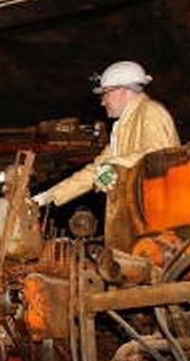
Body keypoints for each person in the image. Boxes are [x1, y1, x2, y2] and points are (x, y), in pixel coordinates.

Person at [33, 60, 179, 249]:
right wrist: (46, 197)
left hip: (161, 215)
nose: (102, 102)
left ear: (122, 90)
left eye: (105, 94)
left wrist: (114, 165)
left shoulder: (151, 112)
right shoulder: (123, 126)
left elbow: (158, 154)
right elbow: (95, 170)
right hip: (141, 216)